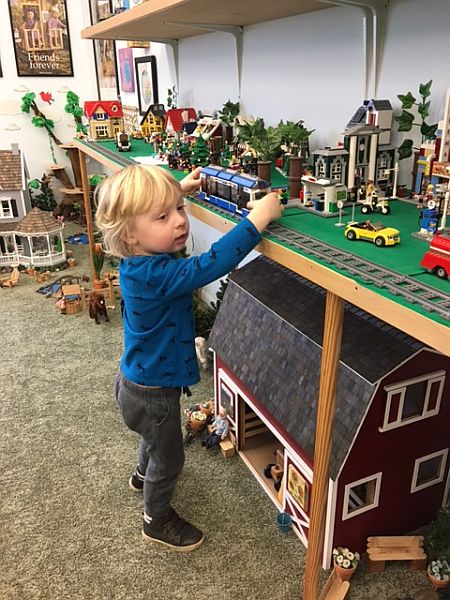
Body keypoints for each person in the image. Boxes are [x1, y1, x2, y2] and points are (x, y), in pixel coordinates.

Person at [95, 164, 282, 552]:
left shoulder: (134, 261)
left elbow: (147, 218)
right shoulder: (159, 273)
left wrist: (177, 191)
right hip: (154, 394)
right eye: (163, 216)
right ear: (130, 234)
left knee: (153, 439)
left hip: (134, 383)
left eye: (178, 209)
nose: (180, 221)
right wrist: (257, 220)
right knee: (170, 459)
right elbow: (211, 263)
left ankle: (141, 475)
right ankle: (156, 520)